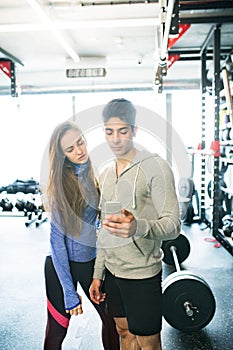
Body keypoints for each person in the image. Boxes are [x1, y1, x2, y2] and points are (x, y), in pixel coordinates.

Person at [89, 98, 181, 350]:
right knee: (123, 332)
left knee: (148, 342)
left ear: (135, 131)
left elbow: (173, 225)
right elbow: (105, 230)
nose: (115, 139)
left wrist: (138, 226)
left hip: (142, 274)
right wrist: (99, 274)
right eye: (109, 132)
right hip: (114, 273)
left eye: (123, 131)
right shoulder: (106, 172)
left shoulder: (156, 167)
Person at [43, 120, 119, 350]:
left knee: (112, 321)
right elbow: (57, 243)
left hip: (90, 264)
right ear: (62, 155)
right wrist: (68, 291)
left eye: (81, 142)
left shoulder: (91, 174)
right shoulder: (60, 187)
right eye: (71, 149)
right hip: (60, 267)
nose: (79, 150)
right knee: (58, 329)